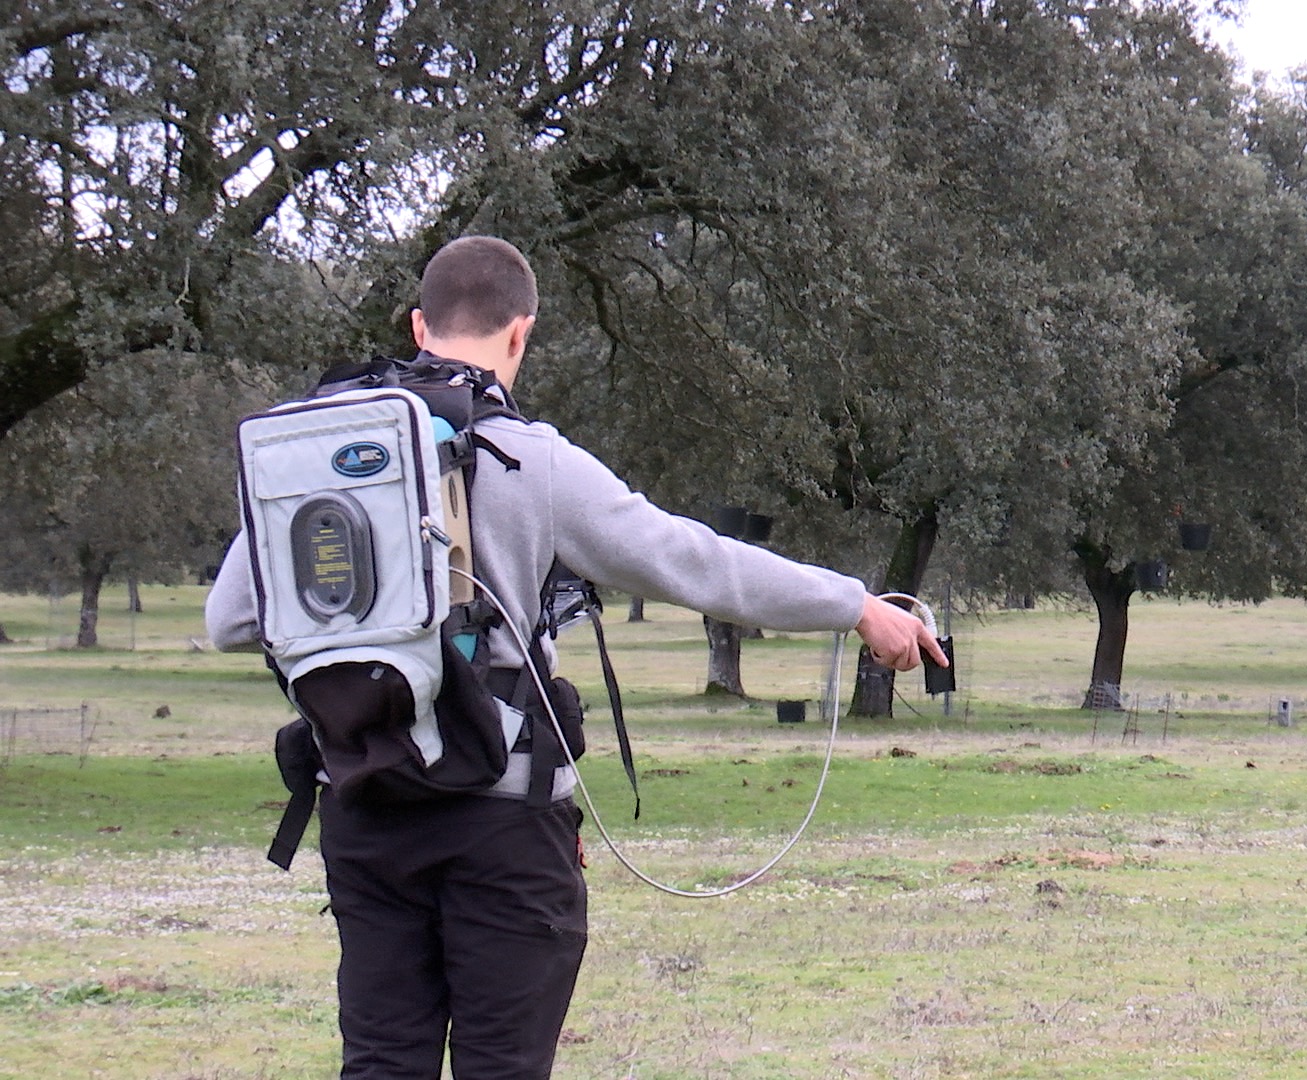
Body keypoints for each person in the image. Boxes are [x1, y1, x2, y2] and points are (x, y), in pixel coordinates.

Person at [205, 235, 945, 1079]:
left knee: (380, 1063)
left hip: (364, 804)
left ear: (418, 325)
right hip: (503, 821)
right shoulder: (534, 459)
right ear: (521, 331)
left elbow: (230, 620)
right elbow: (693, 561)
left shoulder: (310, 456)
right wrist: (853, 605)